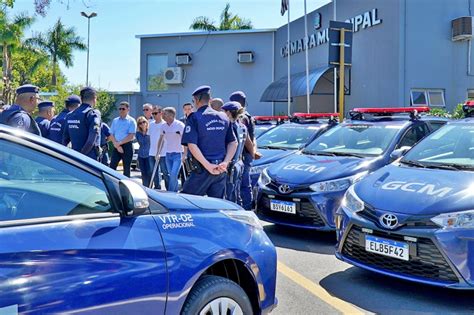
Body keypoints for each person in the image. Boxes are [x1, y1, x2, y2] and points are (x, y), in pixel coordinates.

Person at [181, 85, 237, 198]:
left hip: (202, 170)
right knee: (216, 206)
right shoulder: (224, 117)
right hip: (220, 169)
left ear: (196, 100)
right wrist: (225, 163)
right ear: (210, 99)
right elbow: (233, 142)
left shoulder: (194, 117)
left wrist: (208, 166)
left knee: (186, 202)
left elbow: (192, 145)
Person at [230, 90, 256, 210]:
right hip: (247, 154)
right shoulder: (249, 116)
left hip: (242, 154)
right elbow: (253, 138)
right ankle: (247, 207)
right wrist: (254, 152)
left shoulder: (242, 118)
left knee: (241, 184)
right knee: (245, 183)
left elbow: (247, 139)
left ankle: (245, 208)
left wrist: (251, 153)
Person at [63, 87, 101, 160]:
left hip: (74, 158)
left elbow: (65, 140)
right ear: (94, 98)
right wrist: (81, 157)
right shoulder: (92, 114)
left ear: (81, 98)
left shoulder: (70, 115)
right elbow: (91, 141)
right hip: (89, 160)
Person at [222, 101, 248, 204]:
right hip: (239, 163)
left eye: (223, 111)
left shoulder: (230, 127)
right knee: (236, 192)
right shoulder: (242, 127)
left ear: (228, 113)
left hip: (230, 165)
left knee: (228, 195)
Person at [109, 101, 137, 177]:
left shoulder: (131, 121)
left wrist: (119, 143)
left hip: (127, 146)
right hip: (116, 145)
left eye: (123, 109)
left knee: (126, 169)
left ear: (128, 109)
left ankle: (125, 186)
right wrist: (117, 145)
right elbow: (111, 134)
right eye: (120, 109)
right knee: (112, 166)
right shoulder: (115, 120)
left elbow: (131, 135)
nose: (121, 110)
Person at [161, 107, 185, 192]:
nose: (162, 116)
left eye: (165, 114)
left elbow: (185, 140)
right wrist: (158, 152)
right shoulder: (163, 126)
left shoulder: (180, 125)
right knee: (171, 174)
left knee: (173, 175)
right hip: (168, 154)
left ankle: (171, 192)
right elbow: (162, 139)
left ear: (171, 115)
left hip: (178, 154)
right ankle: (174, 192)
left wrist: (185, 154)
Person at [148, 105, 169, 189]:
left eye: (155, 113)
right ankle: (157, 188)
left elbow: (164, 139)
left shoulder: (165, 124)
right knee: (154, 172)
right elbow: (150, 137)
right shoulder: (151, 124)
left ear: (161, 113)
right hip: (152, 152)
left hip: (163, 153)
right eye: (152, 113)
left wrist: (159, 152)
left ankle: (169, 190)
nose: (154, 115)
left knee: (165, 172)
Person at [135, 116, 153, 187]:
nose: (142, 124)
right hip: (141, 155)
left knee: (149, 172)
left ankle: (150, 187)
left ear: (146, 122)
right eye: (140, 123)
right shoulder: (138, 134)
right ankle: (145, 187)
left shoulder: (150, 131)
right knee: (143, 172)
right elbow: (140, 143)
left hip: (149, 154)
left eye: (144, 122)